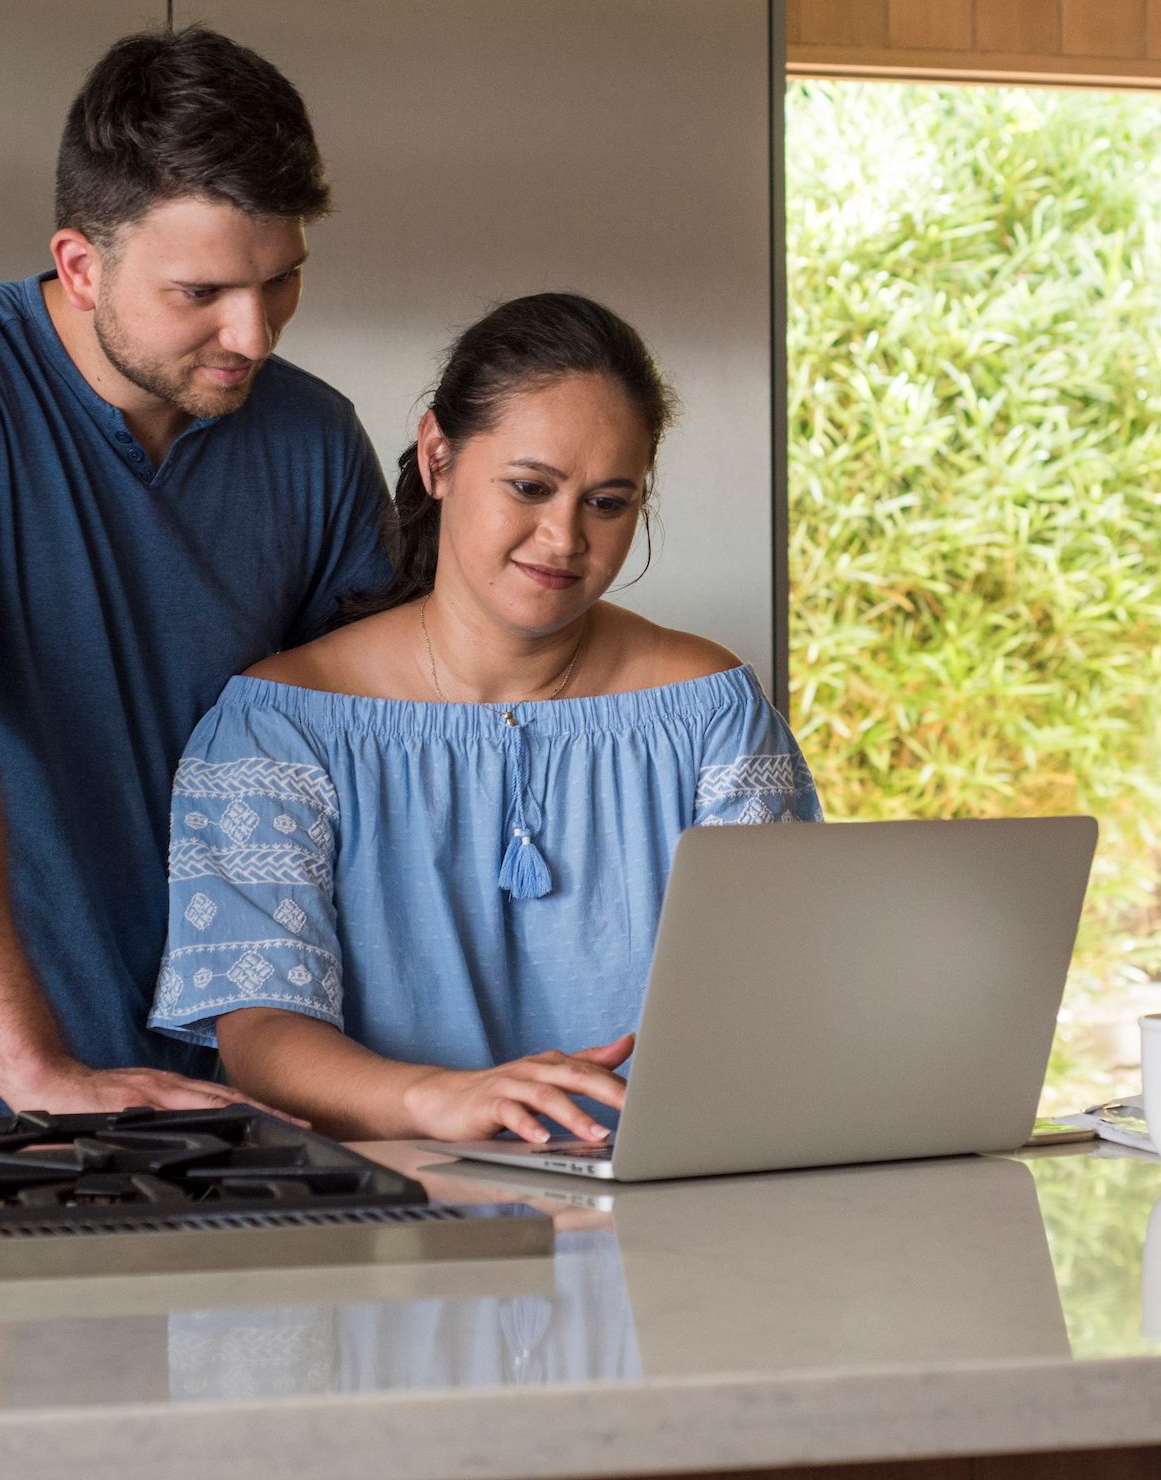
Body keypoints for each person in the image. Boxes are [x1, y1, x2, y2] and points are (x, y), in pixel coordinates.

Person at [0, 26, 391, 1121]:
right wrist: (40, 1073)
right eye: (202, 293)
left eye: (283, 281)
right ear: (83, 264)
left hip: (205, 1091)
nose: (254, 330)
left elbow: (382, 755)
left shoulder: (317, 440)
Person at [150, 293, 821, 1144]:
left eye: (608, 503)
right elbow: (261, 1037)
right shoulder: (278, 728)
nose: (564, 537)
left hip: (668, 1218)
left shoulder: (712, 711)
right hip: (394, 1227)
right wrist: (441, 1100)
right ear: (438, 457)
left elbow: (773, 1000)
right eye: (531, 487)